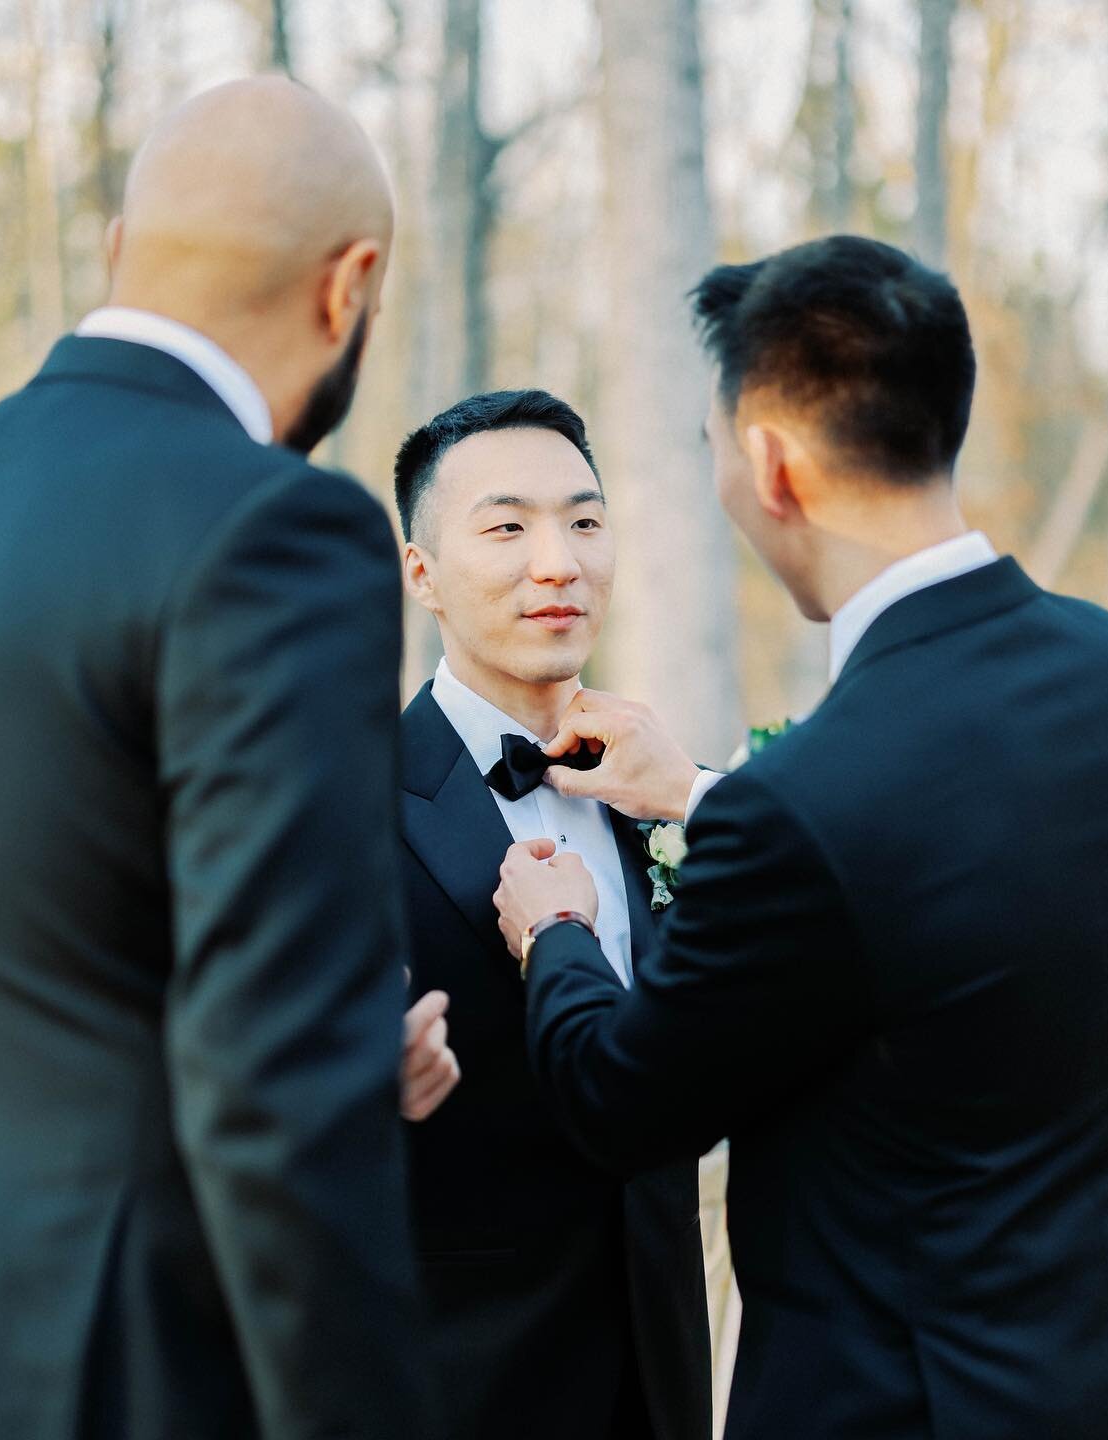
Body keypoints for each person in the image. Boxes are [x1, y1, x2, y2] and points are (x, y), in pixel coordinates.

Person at [492, 235, 1108, 1439]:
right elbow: (959, 871)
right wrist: (701, 795)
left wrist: (557, 934)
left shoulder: (816, 801)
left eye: (714, 450)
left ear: (770, 462)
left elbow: (623, 1099)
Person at [0, 77, 443, 1440]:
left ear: (121, 244)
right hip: (135, 1373)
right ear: (349, 285)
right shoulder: (278, 536)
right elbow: (280, 1090)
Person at [391, 389, 712, 1440]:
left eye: (584, 520)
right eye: (507, 526)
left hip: (664, 1367)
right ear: (422, 573)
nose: (558, 561)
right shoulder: (339, 804)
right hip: (454, 1379)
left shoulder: (667, 786)